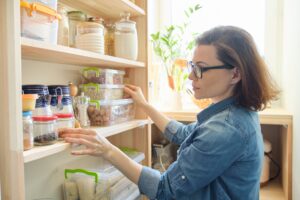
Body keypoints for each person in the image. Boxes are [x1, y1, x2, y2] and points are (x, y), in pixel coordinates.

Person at [59, 26, 279, 200]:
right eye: (192, 66)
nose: (191, 76)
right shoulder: (232, 113)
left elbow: (165, 189)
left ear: (235, 74)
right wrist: (145, 106)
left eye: (200, 68)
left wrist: (109, 151)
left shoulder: (225, 128)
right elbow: (184, 134)